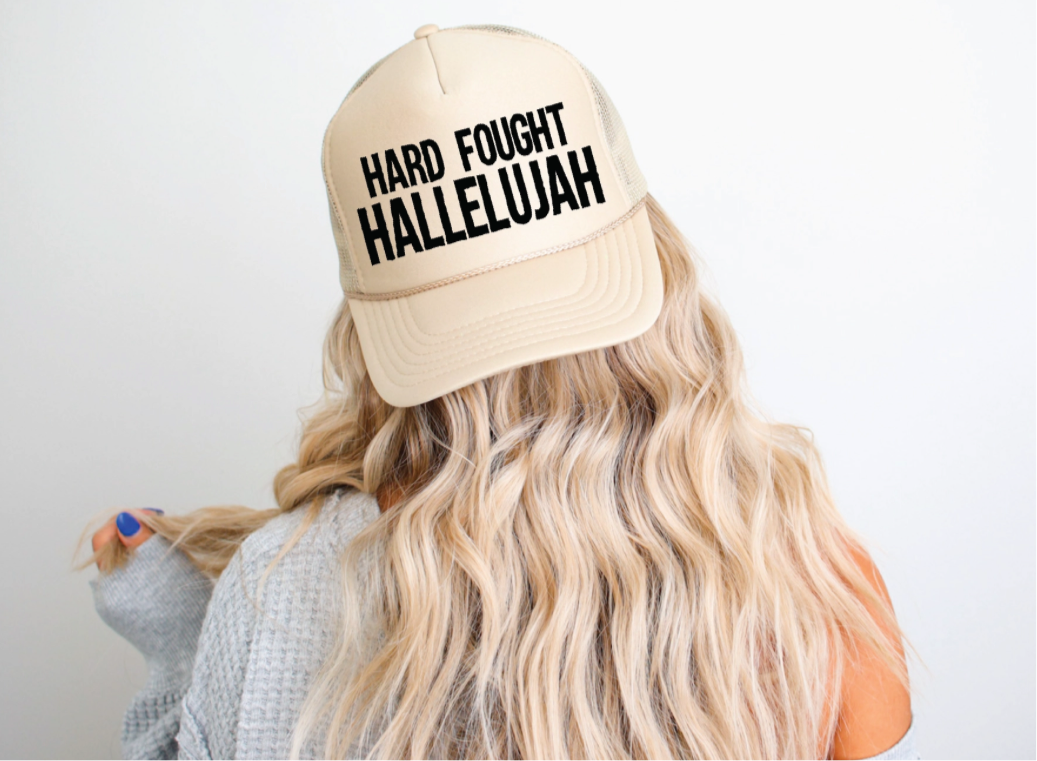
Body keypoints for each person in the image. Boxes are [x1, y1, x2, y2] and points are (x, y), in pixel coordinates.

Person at [83, 24, 919, 761]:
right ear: (652, 252)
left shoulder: (274, 587)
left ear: (368, 325)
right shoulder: (808, 570)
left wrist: (187, 643)